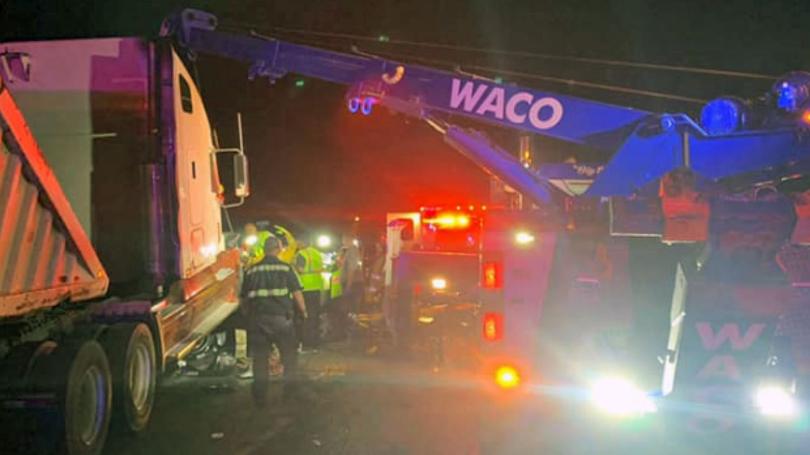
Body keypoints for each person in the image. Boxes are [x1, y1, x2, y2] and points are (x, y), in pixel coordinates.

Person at [240, 236, 308, 407]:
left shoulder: (251, 271)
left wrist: (247, 314)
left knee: (260, 360)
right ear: (278, 249)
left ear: (264, 250)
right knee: (289, 357)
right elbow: (297, 292)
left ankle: (260, 398)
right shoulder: (286, 268)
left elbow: (243, 298)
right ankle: (290, 394)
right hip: (281, 320)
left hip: (258, 320)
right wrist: (304, 312)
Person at [295, 238, 325, 351]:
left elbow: (300, 269)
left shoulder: (301, 254)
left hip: (305, 287)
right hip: (317, 287)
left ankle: (306, 343)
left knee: (305, 316)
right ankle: (315, 343)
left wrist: (293, 266)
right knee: (315, 316)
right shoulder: (317, 253)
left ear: (302, 242)